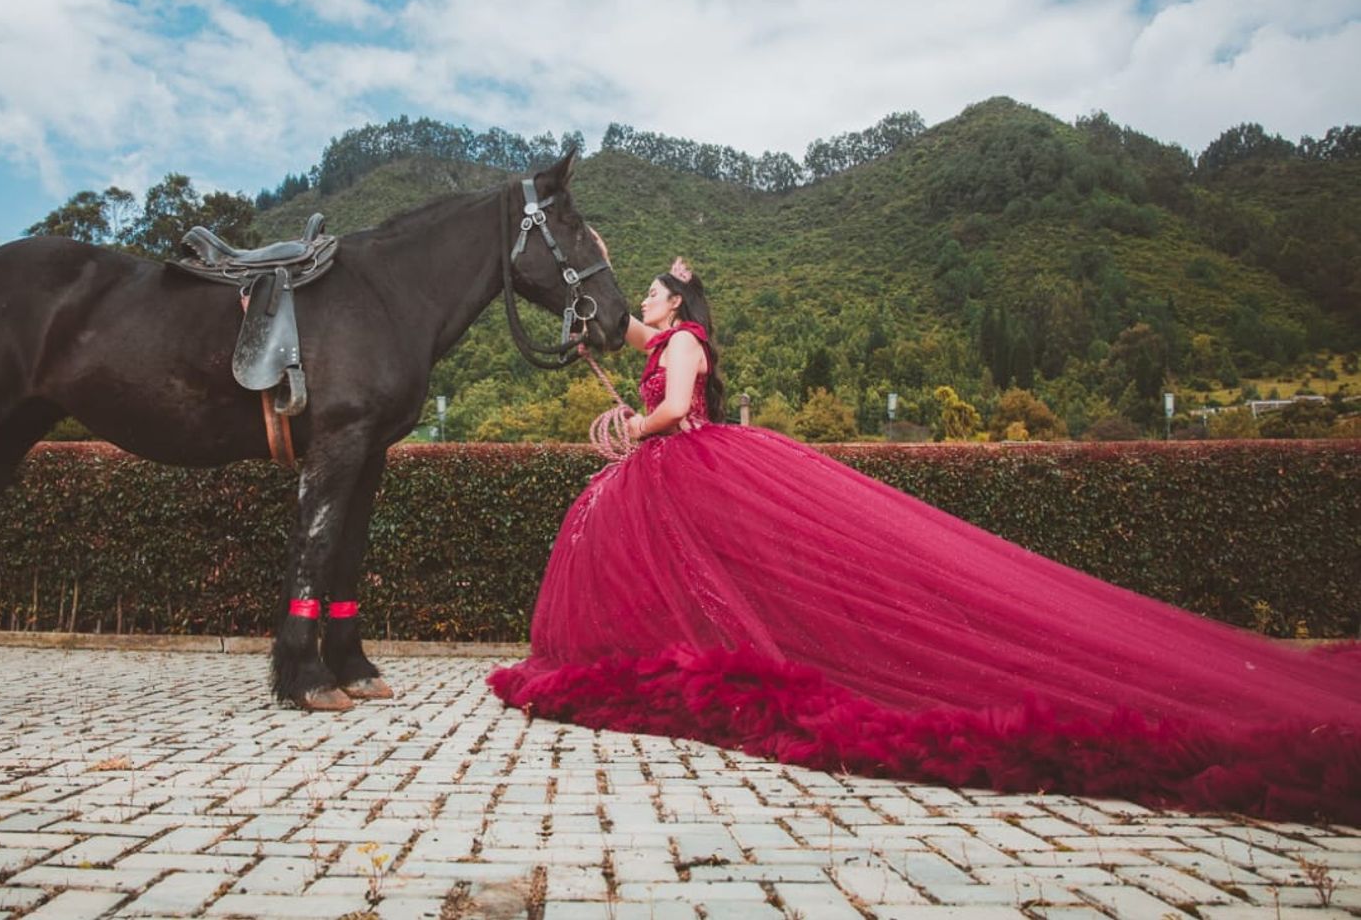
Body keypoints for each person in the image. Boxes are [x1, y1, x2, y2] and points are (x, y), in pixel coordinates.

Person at [490, 244, 1361, 824]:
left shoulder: (687, 344)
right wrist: (584, 275)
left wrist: (627, 432)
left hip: (690, 464)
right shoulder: (659, 332)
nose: (646, 299)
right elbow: (619, 325)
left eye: (655, 289)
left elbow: (676, 408)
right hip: (672, 474)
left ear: (680, 300)